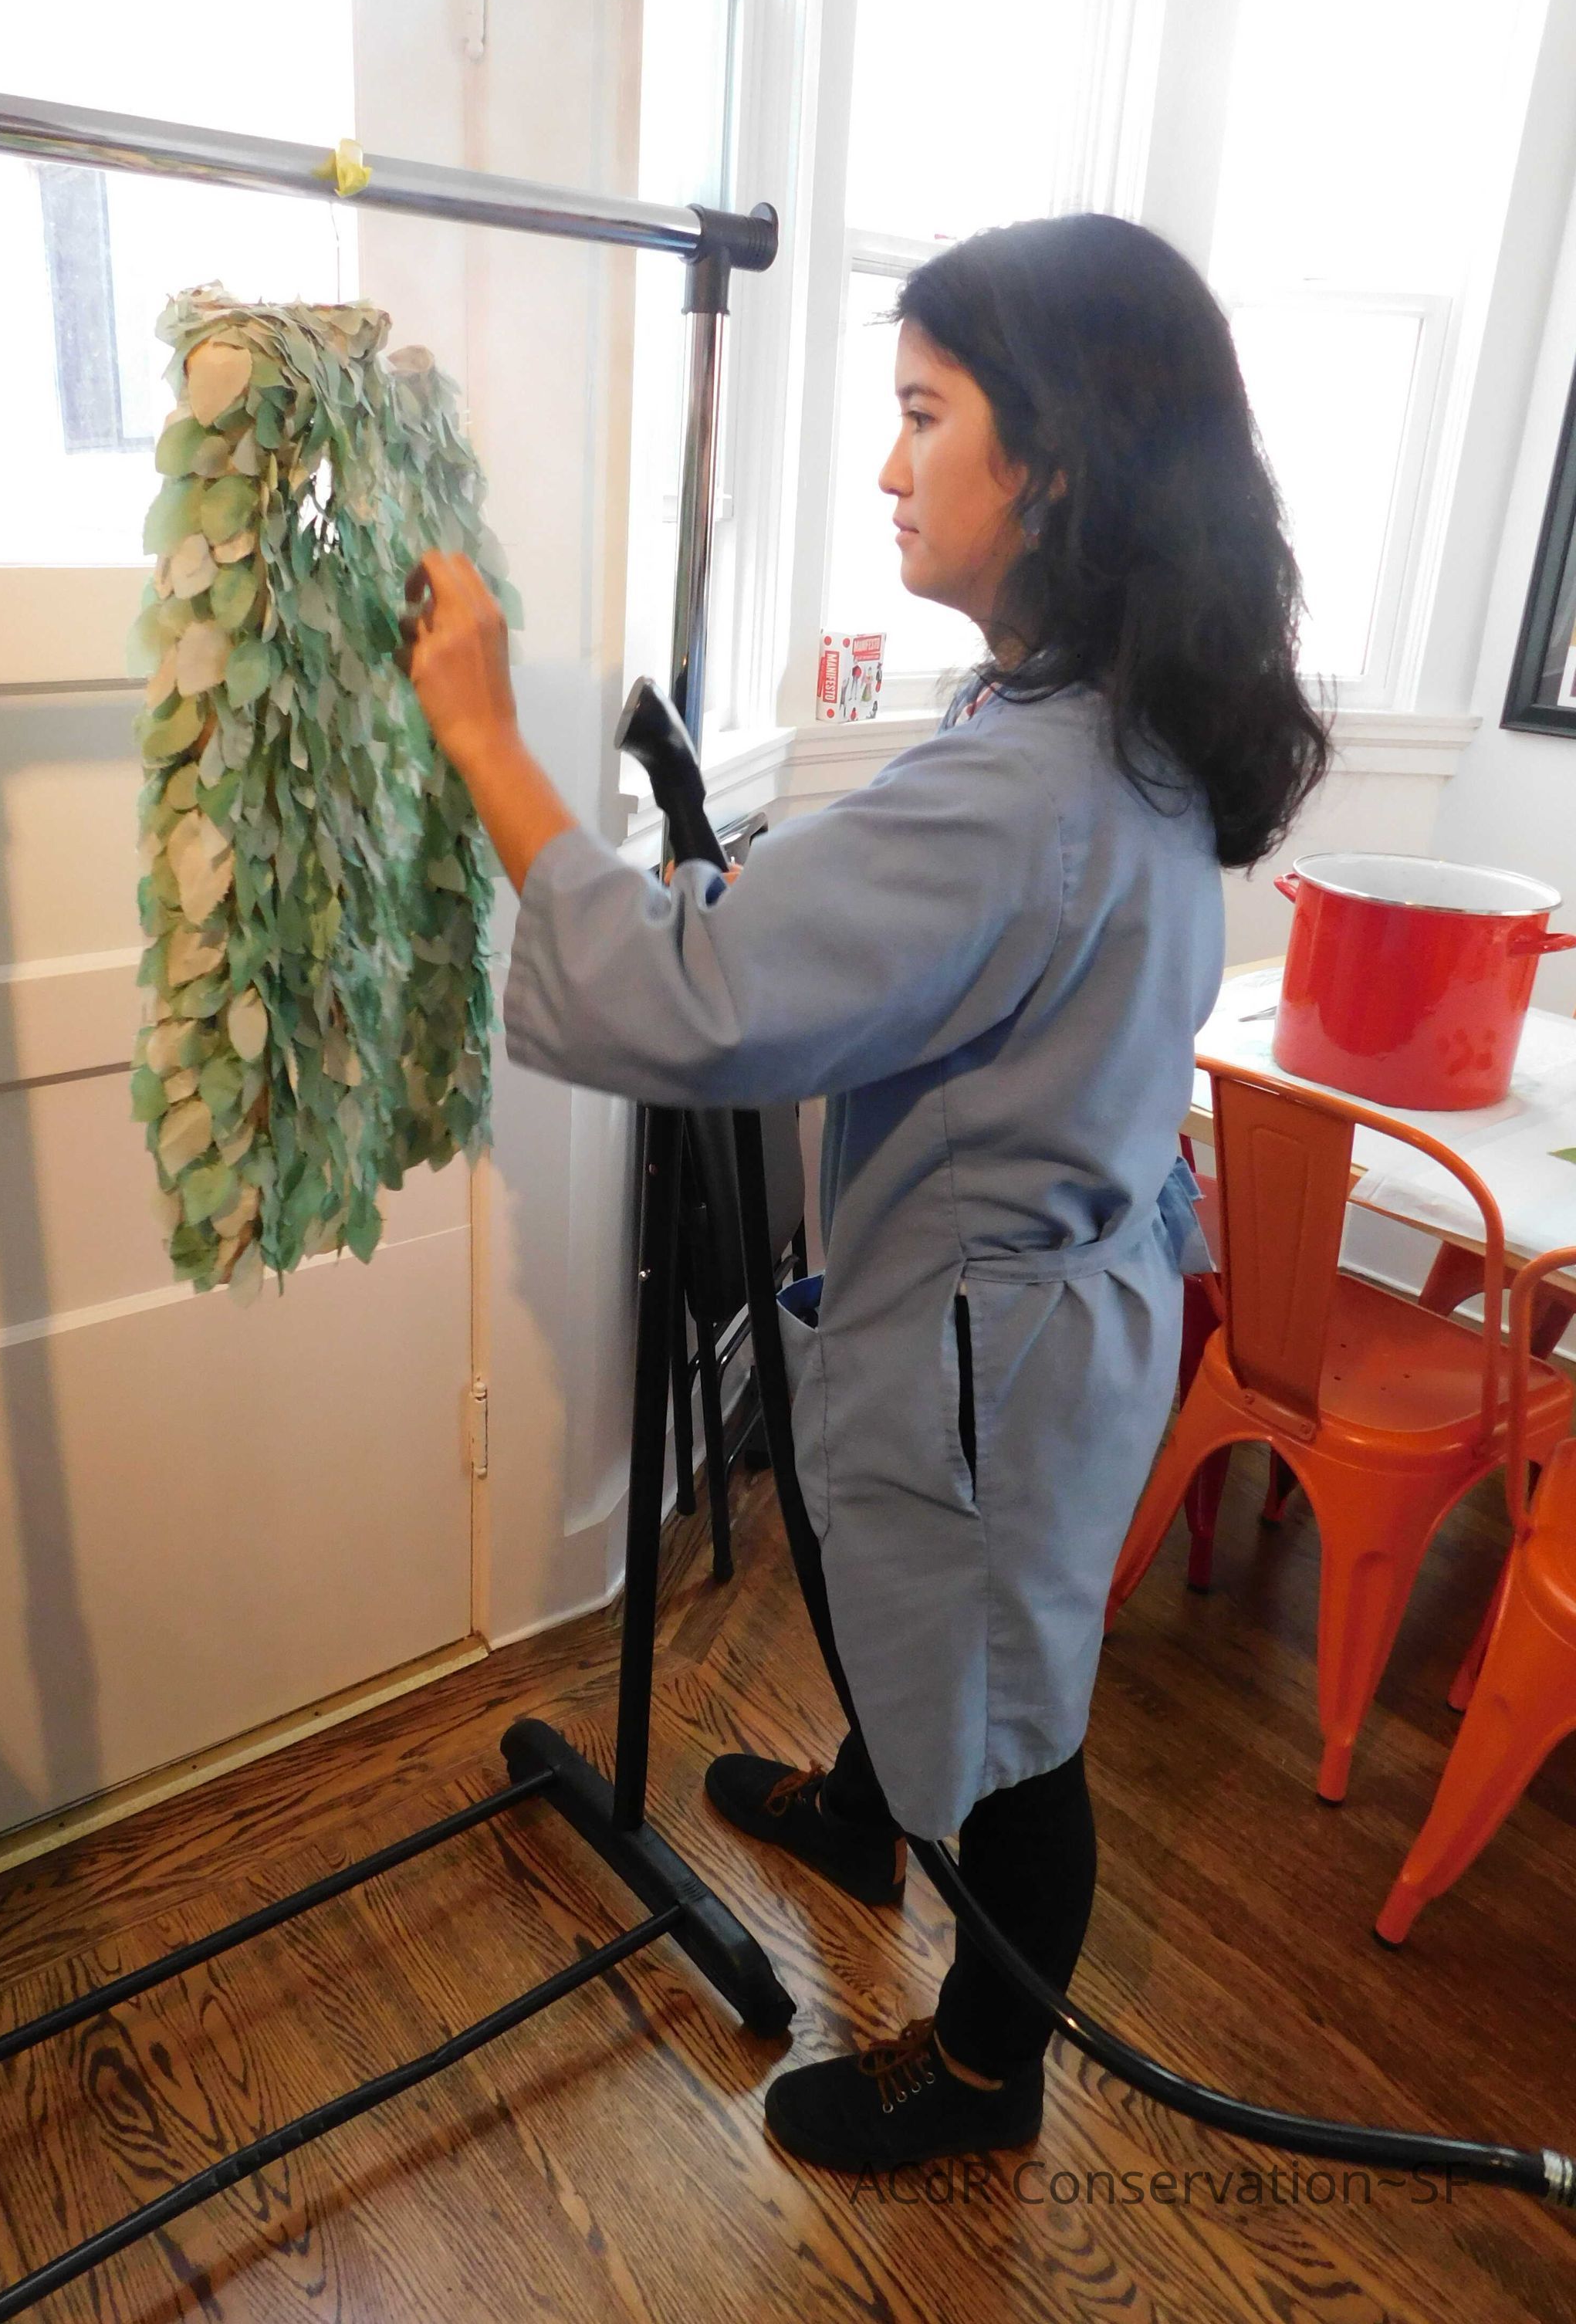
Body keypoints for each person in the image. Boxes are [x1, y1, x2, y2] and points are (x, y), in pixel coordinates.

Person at [398, 211, 1328, 2177]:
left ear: (1052, 461)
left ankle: (986, 2072)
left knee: (1019, 1735)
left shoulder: (1029, 782)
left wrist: (480, 733)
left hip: (1008, 1348)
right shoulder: (1083, 711)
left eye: (924, 414)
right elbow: (903, 946)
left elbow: (688, 992)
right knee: (906, 1590)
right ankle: (863, 1801)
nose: (890, 466)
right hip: (1036, 1297)